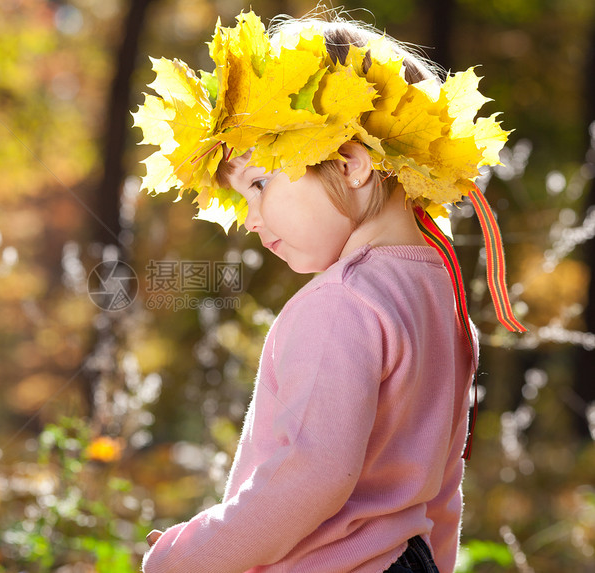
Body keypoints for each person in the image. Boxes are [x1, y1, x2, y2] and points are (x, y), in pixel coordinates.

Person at [131, 9, 526, 573]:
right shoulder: (439, 295)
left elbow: (308, 478)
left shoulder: (340, 304)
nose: (250, 218)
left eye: (260, 183)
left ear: (351, 161)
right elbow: (439, 484)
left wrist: (185, 558)